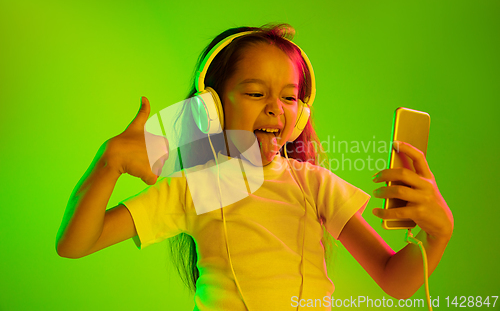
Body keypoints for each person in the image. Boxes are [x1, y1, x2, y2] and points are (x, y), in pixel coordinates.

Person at [56, 23, 454, 310]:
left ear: (300, 115)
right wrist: (108, 164)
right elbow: (76, 244)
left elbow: (394, 280)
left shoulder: (314, 185)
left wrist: (438, 234)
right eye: (255, 92)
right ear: (210, 107)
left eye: (289, 97)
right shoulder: (192, 188)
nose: (275, 108)